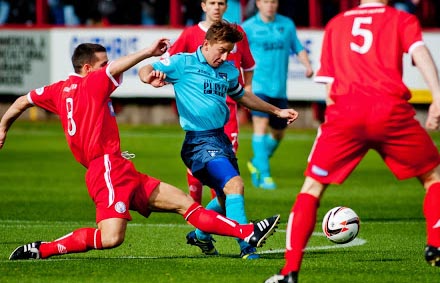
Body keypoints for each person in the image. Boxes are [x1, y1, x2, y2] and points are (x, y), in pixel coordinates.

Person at [0, 39, 281, 261]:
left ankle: (247, 231)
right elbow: (117, 68)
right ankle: (44, 249)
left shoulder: (56, 90)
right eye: (103, 63)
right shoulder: (93, 82)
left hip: (120, 168)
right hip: (105, 169)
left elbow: (22, 101)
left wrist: (3, 127)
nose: (108, 67)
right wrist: (148, 51)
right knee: (111, 238)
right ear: (87, 68)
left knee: (185, 202)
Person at [264, 1, 440, 282]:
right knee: (433, 177)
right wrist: (437, 95)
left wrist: (335, 122)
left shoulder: (337, 23)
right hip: (389, 109)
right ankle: (436, 241)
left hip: (345, 113)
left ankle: (289, 272)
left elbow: (330, 88)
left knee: (311, 187)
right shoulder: (401, 19)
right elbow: (420, 52)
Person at [139, 22, 298, 260]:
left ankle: (200, 235)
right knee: (235, 185)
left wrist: (277, 111)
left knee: (225, 200)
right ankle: (247, 246)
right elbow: (145, 69)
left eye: (228, 51)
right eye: (221, 50)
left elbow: (243, 96)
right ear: (206, 44)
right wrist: (150, 78)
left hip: (220, 139)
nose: (224, 56)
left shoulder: (229, 70)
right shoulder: (183, 63)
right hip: (198, 143)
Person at [166, 0, 255, 234]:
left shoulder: (238, 34)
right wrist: (156, 75)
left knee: (227, 186)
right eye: (212, 2)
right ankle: (239, 235)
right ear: (203, 5)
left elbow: (246, 67)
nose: (217, 7)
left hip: (226, 121)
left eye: (221, 3)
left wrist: (260, 102)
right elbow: (168, 65)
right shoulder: (189, 37)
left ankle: (202, 230)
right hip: (199, 127)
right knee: (226, 182)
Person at [242, 0, 313, 190]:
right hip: (258, 86)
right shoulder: (248, 28)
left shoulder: (286, 24)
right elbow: (239, 54)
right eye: (266, 1)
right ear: (258, 4)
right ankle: (265, 177)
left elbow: (298, 47)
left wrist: (307, 65)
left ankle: (257, 161)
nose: (270, 5)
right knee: (260, 126)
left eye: (273, 1)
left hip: (279, 88)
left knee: (279, 133)